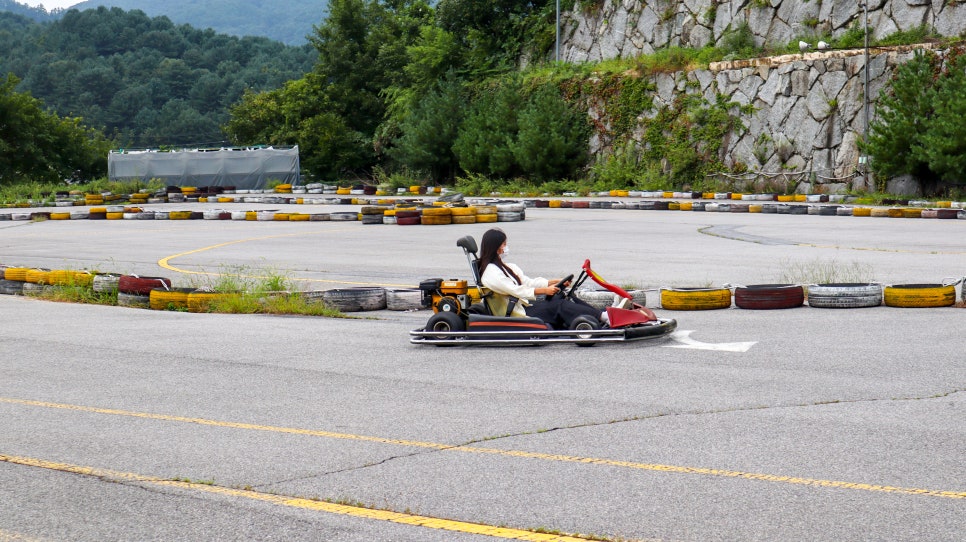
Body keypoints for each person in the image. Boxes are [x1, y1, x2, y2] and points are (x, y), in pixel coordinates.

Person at [478, 228, 602, 329]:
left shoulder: (506, 267)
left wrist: (552, 282)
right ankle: (602, 317)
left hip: (524, 306)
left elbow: (527, 282)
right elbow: (516, 290)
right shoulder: (491, 273)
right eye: (504, 244)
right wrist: (544, 291)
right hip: (517, 313)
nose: (506, 247)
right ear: (495, 247)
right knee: (559, 305)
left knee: (563, 296)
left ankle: (601, 315)